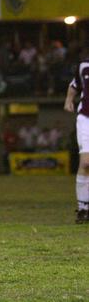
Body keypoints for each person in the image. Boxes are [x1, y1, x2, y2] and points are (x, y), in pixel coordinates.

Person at [65, 62, 89, 224]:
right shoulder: (83, 66)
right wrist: (69, 99)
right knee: (86, 163)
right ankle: (83, 209)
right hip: (86, 118)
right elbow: (75, 84)